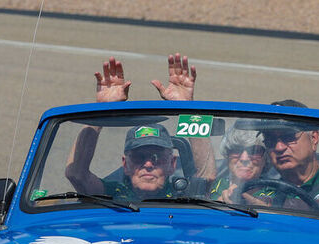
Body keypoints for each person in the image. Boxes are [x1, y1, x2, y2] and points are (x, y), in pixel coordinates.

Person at [64, 53, 216, 201]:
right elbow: (76, 174)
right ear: (125, 164)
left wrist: (187, 109)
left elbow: (206, 177)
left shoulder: (183, 194)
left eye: (156, 157)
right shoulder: (112, 194)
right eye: (139, 157)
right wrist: (101, 110)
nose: (148, 164)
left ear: (172, 164)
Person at [233, 119, 319, 215]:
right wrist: (229, 201)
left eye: (289, 137)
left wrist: (271, 205)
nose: (279, 147)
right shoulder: (265, 192)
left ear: (314, 138)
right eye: (270, 140)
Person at [208, 128, 268, 200]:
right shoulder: (213, 185)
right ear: (227, 156)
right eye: (236, 150)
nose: (244, 158)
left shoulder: (277, 193)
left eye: (254, 151)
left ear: (265, 159)